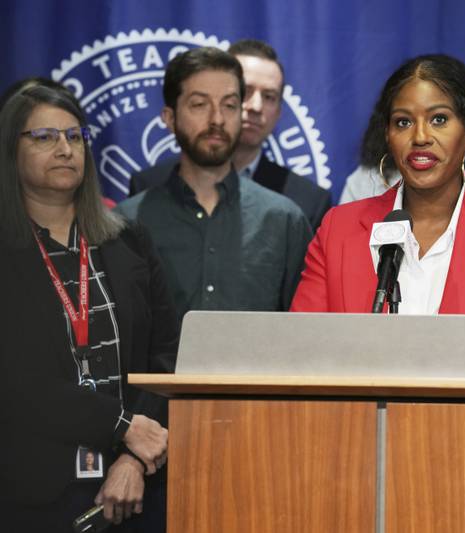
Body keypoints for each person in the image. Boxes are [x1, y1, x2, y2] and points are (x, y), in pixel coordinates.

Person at [0, 84, 177, 531]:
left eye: (74, 136)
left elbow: (168, 357)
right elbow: (18, 382)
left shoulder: (129, 241)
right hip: (31, 492)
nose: (64, 149)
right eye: (43, 137)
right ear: (9, 150)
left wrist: (135, 456)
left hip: (136, 486)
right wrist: (122, 427)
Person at [290, 54, 465, 315]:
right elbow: (302, 352)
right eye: (403, 122)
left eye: (439, 119)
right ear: (387, 135)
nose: (420, 136)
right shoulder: (338, 230)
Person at [116, 47, 312, 323]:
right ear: (170, 118)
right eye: (199, 104)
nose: (217, 119)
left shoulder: (283, 220)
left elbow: (304, 334)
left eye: (230, 105)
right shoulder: (128, 223)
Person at [128, 40, 331, 230]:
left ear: (279, 112)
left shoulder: (306, 202)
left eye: (269, 97)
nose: (256, 106)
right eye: (246, 92)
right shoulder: (148, 187)